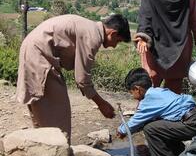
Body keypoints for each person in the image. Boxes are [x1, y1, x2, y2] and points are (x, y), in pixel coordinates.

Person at [16, 14, 131, 143]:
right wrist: (101, 103)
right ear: (113, 33)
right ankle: (57, 154)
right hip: (39, 55)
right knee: (58, 112)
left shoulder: (90, 28)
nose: (114, 46)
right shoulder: (92, 36)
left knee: (44, 108)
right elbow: (82, 78)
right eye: (118, 41)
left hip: (36, 50)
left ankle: (45, 150)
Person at [117, 68, 196, 156]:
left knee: (150, 128)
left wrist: (121, 131)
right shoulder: (159, 91)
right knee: (160, 126)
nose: (133, 97)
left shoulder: (148, 100)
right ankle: (180, 155)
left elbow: (135, 122)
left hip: (194, 123)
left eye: (131, 93)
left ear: (137, 89)